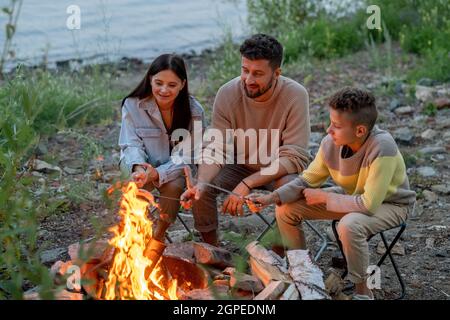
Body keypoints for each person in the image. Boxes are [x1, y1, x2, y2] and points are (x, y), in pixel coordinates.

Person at [249, 87, 416, 299]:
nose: (329, 130)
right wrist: (271, 198)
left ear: (360, 131)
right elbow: (306, 179)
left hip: (391, 204)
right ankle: (303, 275)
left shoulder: (383, 147)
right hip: (352, 196)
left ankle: (363, 293)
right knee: (286, 209)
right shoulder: (331, 144)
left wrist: (326, 197)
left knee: (349, 225)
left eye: (336, 126)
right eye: (330, 123)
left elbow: (369, 204)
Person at [181, 34, 311, 246]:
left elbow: (294, 156)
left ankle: (276, 257)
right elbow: (216, 147)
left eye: (258, 74)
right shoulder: (227, 93)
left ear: (276, 73)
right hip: (240, 164)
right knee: (201, 184)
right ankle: (212, 251)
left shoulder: (295, 95)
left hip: (279, 169)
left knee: (289, 189)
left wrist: (247, 184)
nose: (249, 80)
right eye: (245, 70)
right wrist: (202, 183)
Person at [119, 53, 205, 241]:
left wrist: (158, 173)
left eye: (172, 85)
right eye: (159, 83)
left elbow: (188, 156)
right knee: (136, 183)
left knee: (174, 186)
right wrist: (140, 168)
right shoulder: (132, 104)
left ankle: (159, 234)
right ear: (150, 79)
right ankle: (134, 235)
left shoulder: (195, 112)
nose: (164, 90)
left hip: (175, 168)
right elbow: (130, 143)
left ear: (182, 84)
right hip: (138, 163)